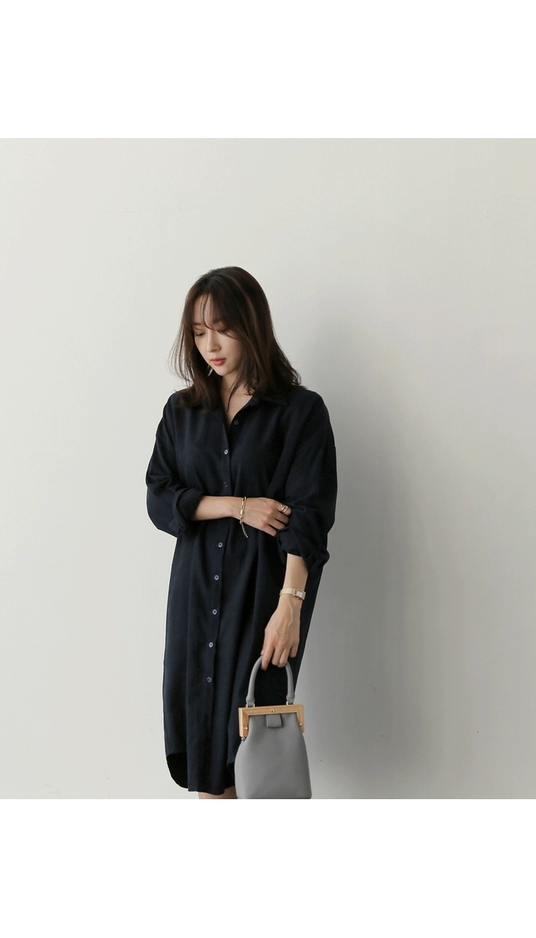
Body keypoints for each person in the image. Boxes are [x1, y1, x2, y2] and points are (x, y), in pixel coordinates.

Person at [145, 267, 337, 798]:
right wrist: (238, 506)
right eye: (198, 332)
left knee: (254, 758)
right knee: (205, 759)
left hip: (261, 599)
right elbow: (159, 498)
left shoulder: (300, 413)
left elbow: (310, 517)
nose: (210, 346)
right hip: (194, 597)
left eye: (223, 330)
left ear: (252, 326)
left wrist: (290, 605)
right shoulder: (182, 412)